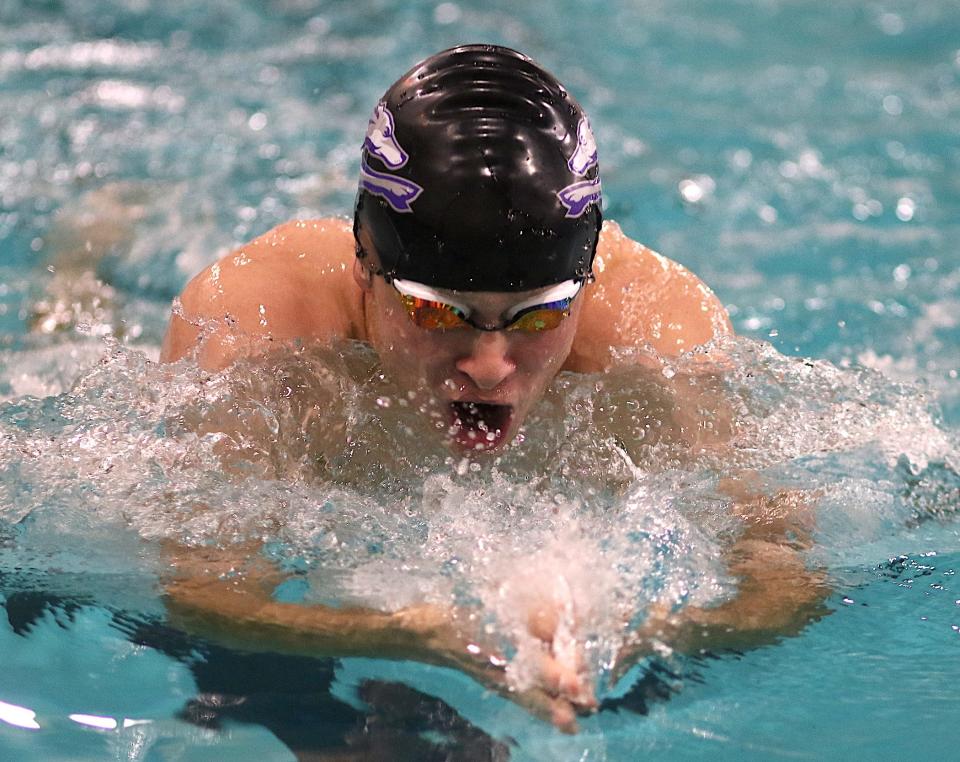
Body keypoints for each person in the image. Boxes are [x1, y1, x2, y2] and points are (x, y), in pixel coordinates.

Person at [158, 45, 826, 732]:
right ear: (364, 261)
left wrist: (664, 630)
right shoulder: (257, 327)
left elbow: (784, 570)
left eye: (536, 315)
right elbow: (199, 593)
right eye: (438, 312)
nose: (486, 365)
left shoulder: (656, 341)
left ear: (586, 280)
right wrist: (407, 635)